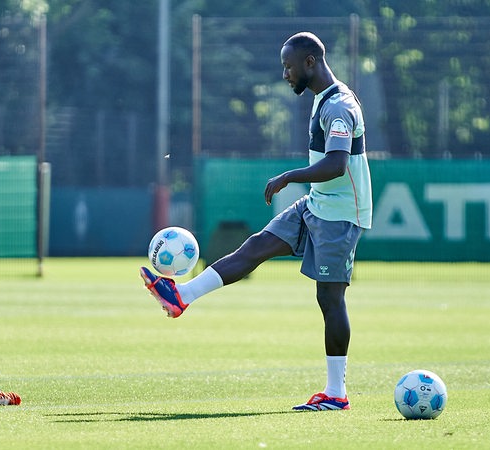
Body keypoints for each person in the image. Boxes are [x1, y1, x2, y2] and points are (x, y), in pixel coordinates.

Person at [140, 32, 372, 412]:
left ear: (310, 62)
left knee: (329, 298)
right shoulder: (322, 99)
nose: (285, 73)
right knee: (256, 246)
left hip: (341, 215)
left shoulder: (339, 106)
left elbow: (337, 164)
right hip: (317, 205)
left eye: (289, 66)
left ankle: (336, 394)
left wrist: (287, 177)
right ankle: (182, 296)